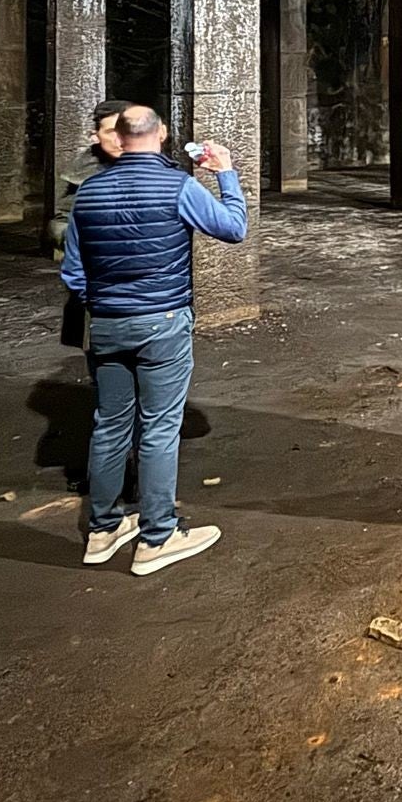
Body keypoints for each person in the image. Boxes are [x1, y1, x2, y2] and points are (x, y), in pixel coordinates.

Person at [59, 104, 246, 575]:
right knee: (160, 428)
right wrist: (225, 174)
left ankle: (102, 530)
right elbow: (233, 228)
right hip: (162, 321)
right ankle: (157, 536)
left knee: (109, 424)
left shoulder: (90, 191)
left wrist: (104, 303)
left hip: (106, 323)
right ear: (161, 134)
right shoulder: (178, 186)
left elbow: (73, 271)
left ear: (119, 139)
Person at [46, 98, 132, 261]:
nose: (119, 139)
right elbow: (61, 223)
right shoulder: (82, 173)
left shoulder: (158, 168)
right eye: (112, 132)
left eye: (127, 130)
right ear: (95, 136)